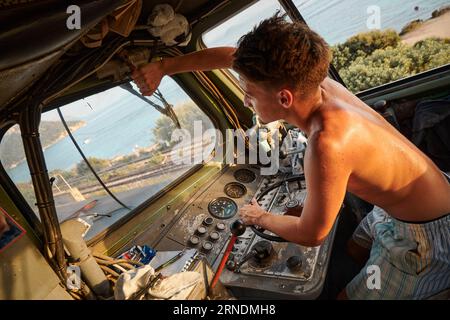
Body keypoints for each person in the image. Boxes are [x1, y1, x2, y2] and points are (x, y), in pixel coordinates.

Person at [133, 14, 450, 299]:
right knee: (355, 249)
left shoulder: (326, 142)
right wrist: (163, 67)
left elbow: (313, 234)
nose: (245, 100)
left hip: (426, 237)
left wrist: (261, 217)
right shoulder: (311, 80)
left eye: (249, 93)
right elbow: (229, 56)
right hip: (413, 201)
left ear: (284, 97)